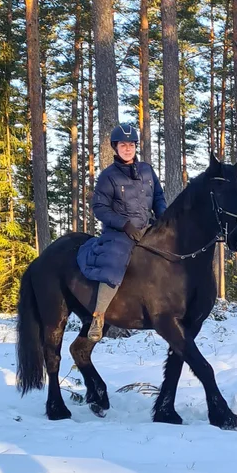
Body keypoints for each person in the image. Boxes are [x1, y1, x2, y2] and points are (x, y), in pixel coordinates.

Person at [76, 123, 167, 342]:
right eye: (123, 145)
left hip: (147, 226)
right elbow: (100, 207)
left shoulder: (147, 170)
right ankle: (98, 317)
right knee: (114, 262)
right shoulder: (108, 176)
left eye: (131, 145)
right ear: (115, 147)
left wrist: (162, 218)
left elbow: (158, 197)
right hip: (120, 231)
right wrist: (125, 225)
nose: (128, 149)